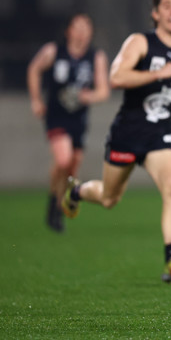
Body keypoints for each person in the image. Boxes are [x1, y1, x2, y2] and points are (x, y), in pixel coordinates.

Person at [61, 0, 171, 283]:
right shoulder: (140, 42)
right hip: (127, 133)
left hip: (159, 136)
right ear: (156, 13)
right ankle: (76, 191)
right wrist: (155, 74)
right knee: (110, 199)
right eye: (167, 5)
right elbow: (115, 76)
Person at [27, 13, 110, 233]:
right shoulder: (54, 51)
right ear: (69, 31)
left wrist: (88, 96)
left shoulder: (96, 57)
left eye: (87, 26)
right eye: (78, 26)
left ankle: (56, 202)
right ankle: (53, 206)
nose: (83, 31)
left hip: (79, 118)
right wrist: (36, 100)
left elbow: (103, 91)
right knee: (63, 160)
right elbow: (34, 70)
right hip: (56, 116)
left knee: (73, 165)